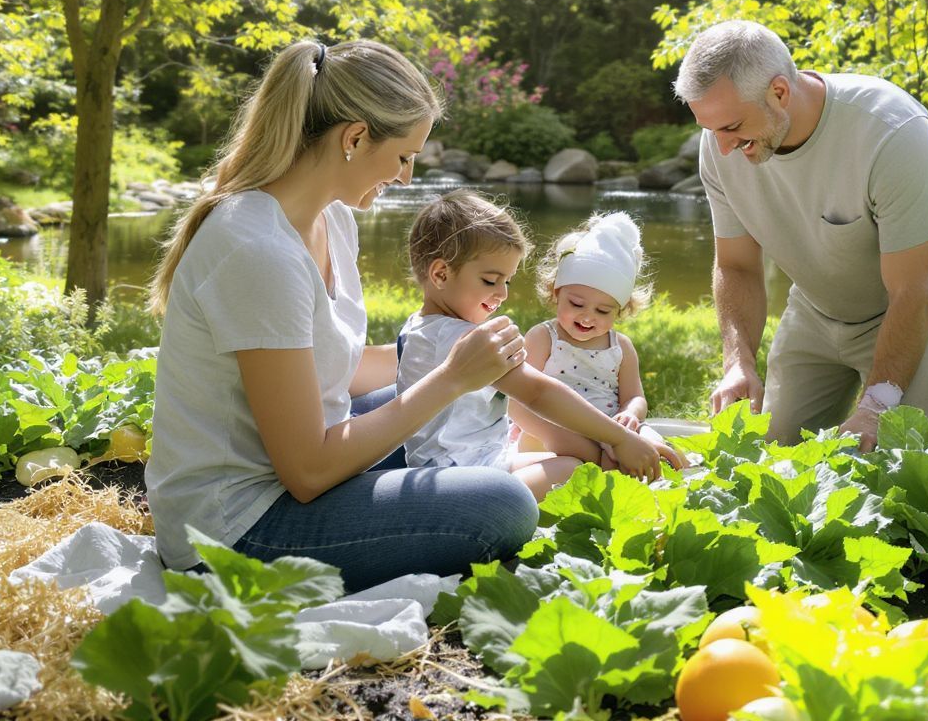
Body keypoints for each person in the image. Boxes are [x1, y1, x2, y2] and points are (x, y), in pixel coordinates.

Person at [145, 39, 540, 592]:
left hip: (297, 465)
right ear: (354, 138)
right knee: (502, 506)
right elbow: (306, 474)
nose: (405, 177)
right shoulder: (257, 249)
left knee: (450, 419)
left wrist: (444, 358)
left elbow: (335, 373)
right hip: (235, 532)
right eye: (403, 157)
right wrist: (451, 379)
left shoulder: (332, 221)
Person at [674, 20, 928, 451]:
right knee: (774, 455)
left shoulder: (892, 131)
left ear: (779, 92)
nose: (722, 147)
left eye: (731, 127)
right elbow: (736, 264)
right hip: (820, 304)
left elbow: (914, 289)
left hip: (925, 300)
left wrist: (877, 404)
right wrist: (737, 361)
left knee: (898, 460)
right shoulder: (720, 144)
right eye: (711, 130)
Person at [397, 191, 681, 500]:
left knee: (576, 466)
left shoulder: (421, 326)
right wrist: (619, 437)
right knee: (577, 474)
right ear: (441, 274)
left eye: (507, 282)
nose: (503, 294)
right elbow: (538, 392)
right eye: (491, 281)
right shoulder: (461, 339)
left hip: (481, 461)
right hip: (455, 476)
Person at [513, 211, 672, 467]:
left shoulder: (621, 347)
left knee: (656, 447)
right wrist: (596, 449)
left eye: (602, 311)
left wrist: (630, 413)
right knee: (582, 464)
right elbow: (520, 401)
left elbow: (635, 396)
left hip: (611, 426)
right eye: (576, 304)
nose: (587, 317)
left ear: (621, 309)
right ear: (556, 292)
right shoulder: (544, 338)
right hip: (554, 428)